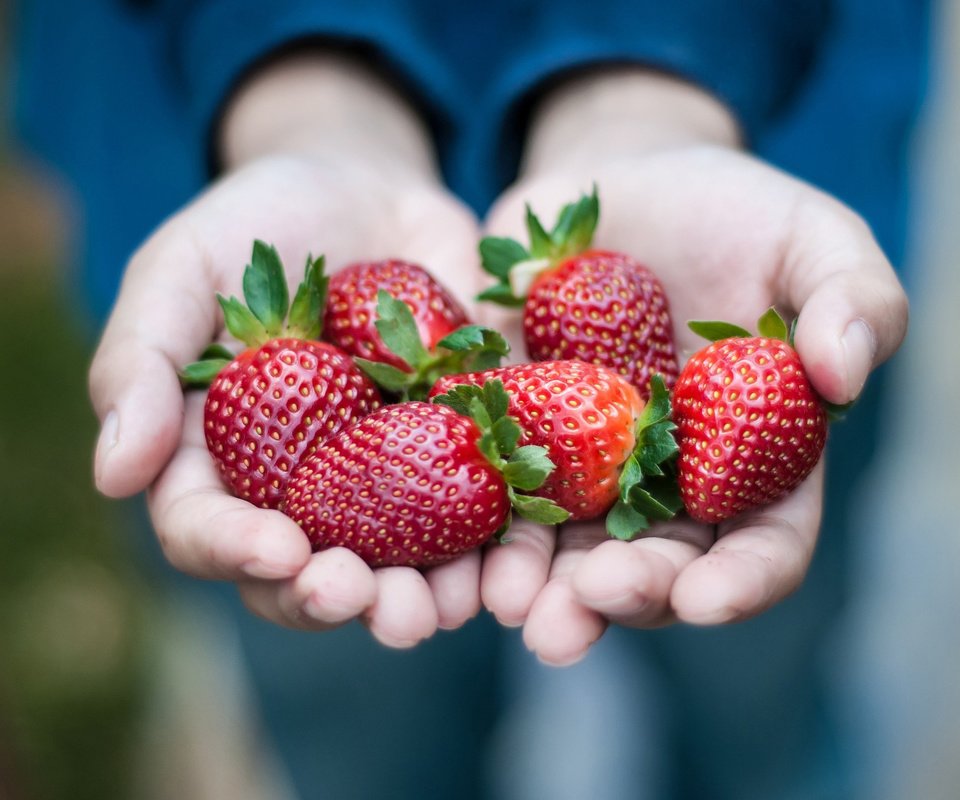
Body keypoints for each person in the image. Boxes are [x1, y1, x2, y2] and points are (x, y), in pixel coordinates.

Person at [11, 0, 927, 797]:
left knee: (758, 708)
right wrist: (305, 95)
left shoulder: (706, 383)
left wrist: (651, 85)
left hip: (748, 155)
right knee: (360, 730)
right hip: (213, 111)